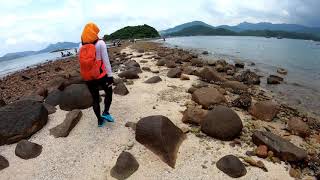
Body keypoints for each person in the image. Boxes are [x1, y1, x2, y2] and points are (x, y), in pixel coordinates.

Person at [79, 22, 114, 127]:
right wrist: (110, 76)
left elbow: (82, 62)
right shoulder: (100, 43)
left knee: (95, 99)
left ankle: (99, 121)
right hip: (100, 75)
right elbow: (106, 61)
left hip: (88, 76)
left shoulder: (80, 45)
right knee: (109, 92)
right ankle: (106, 112)